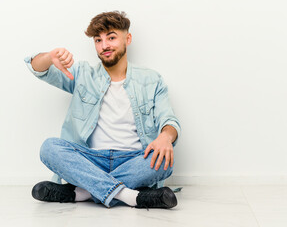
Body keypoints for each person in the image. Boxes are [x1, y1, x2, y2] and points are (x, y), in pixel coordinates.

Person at [24, 11, 181, 209]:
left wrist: (166, 137)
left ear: (128, 38)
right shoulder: (82, 74)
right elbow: (38, 68)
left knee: (166, 159)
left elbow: (169, 120)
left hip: (133, 159)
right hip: (90, 160)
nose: (104, 45)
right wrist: (49, 57)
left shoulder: (151, 79)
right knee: (49, 148)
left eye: (112, 37)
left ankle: (83, 192)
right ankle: (132, 196)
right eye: (98, 40)